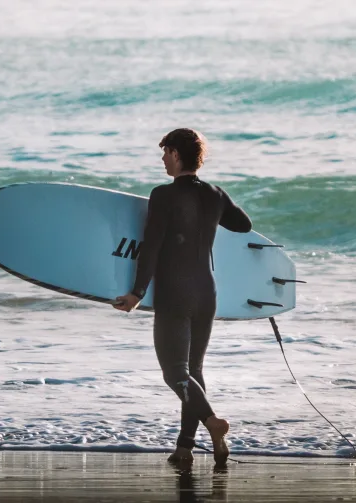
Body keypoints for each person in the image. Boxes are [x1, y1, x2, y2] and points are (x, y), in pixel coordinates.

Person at [113, 128, 252, 467]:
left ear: (176, 154)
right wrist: (213, 210)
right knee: (194, 371)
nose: (162, 160)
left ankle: (213, 422)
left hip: (175, 292)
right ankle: (185, 448)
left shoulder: (163, 195)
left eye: (165, 153)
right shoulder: (216, 194)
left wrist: (137, 293)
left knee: (174, 373)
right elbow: (244, 225)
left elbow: (152, 248)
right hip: (207, 293)